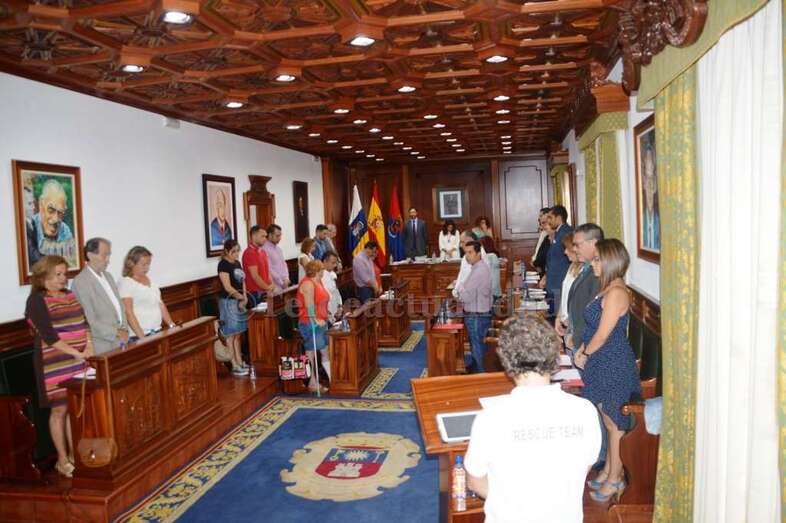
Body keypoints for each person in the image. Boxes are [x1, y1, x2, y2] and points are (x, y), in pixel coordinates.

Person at [464, 315, 602, 523]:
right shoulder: (585, 411)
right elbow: (584, 467)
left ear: (505, 360)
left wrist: (511, 501)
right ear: (554, 355)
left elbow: (475, 481)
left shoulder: (490, 418)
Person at [574, 239, 641, 503]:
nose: (593, 263)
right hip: (600, 362)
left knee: (614, 423)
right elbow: (593, 330)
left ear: (611, 261)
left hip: (613, 363)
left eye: (598, 259)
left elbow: (602, 335)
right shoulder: (607, 289)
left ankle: (616, 476)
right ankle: (610, 470)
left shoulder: (616, 293)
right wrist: (582, 349)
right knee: (606, 418)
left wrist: (585, 353)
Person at [24, 256, 95, 478]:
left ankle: (75, 456)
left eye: (65, 274)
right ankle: (62, 460)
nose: (64, 279)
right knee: (59, 410)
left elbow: (85, 323)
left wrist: (89, 347)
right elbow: (49, 336)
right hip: (54, 363)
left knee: (72, 409)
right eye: (58, 275)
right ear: (43, 277)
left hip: (78, 361)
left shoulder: (70, 295)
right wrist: (77, 353)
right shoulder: (37, 301)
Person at [71, 237, 129, 354]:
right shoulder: (81, 282)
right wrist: (117, 333)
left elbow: (120, 307)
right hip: (102, 345)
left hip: (121, 341)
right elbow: (90, 320)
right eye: (105, 255)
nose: (108, 260)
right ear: (90, 255)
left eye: (109, 255)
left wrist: (125, 330)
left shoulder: (108, 276)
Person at [562, 224, 604, 354]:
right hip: (575, 339)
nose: (574, 249)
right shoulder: (585, 267)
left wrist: (577, 340)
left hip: (584, 345)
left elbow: (591, 314)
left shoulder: (599, 273)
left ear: (593, 243)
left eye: (577, 244)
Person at [118, 246, 175, 340]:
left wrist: (171, 325)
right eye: (143, 265)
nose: (147, 268)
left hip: (157, 331)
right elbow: (128, 312)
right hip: (139, 336)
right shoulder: (126, 283)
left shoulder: (150, 281)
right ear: (131, 263)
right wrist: (142, 338)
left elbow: (160, 304)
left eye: (148, 264)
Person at [455, 241, 492, 372]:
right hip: (479, 314)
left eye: (470, 252)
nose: (467, 256)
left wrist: (460, 287)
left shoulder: (479, 270)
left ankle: (481, 379)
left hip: (476, 315)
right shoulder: (477, 267)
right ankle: (478, 372)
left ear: (478, 253)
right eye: (465, 253)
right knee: (477, 347)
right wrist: (463, 288)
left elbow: (466, 296)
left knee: (478, 349)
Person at [296, 259, 331, 393]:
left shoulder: (318, 281)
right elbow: (309, 305)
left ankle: (333, 379)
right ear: (317, 271)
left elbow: (322, 300)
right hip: (309, 323)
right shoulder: (307, 284)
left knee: (325, 351)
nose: (323, 271)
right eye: (322, 269)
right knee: (313, 351)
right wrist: (314, 319)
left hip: (322, 321)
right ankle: (312, 382)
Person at [217, 239, 249, 376]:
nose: (236, 254)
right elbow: (227, 286)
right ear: (227, 251)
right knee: (230, 333)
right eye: (233, 251)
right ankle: (234, 364)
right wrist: (239, 297)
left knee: (238, 333)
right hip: (228, 301)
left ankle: (240, 361)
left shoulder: (237, 263)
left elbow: (242, 281)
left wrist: (245, 296)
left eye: (238, 251)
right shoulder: (223, 265)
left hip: (239, 300)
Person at [30, 179, 77, 268]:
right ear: (41, 204)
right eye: (51, 210)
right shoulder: (30, 228)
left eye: (60, 212)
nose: (56, 219)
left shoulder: (65, 230)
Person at [543, 205, 573, 314]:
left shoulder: (565, 232)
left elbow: (569, 259)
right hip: (554, 283)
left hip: (559, 283)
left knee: (556, 318)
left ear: (559, 217)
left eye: (550, 217)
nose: (548, 221)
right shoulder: (559, 233)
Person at [554, 233, 582, 347]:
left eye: (567, 248)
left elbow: (580, 303)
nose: (565, 252)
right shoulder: (571, 266)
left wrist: (570, 323)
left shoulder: (585, 271)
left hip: (574, 326)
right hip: (565, 323)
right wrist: (558, 317)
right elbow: (564, 295)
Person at [242, 225, 275, 305]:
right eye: (262, 236)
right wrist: (267, 288)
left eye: (266, 236)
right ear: (253, 236)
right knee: (259, 317)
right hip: (255, 293)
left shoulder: (262, 252)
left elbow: (267, 271)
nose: (265, 239)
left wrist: (272, 284)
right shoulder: (249, 253)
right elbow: (255, 276)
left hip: (265, 291)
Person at [452, 230, 486, 298]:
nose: (460, 245)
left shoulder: (479, 255)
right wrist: (455, 291)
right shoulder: (466, 256)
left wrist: (457, 290)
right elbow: (461, 275)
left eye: (462, 242)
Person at [641, 148, 660, 251]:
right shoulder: (641, 217)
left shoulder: (659, 218)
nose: (649, 186)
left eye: (652, 181)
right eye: (647, 181)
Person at [263, 224, 291, 290]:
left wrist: (286, 278)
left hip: (284, 283)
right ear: (270, 235)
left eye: (280, 235)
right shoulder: (264, 249)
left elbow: (284, 264)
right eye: (277, 236)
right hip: (274, 285)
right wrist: (281, 282)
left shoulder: (279, 249)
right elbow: (269, 269)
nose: (280, 238)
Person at [321, 252, 343, 321]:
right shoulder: (320, 276)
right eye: (333, 263)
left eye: (336, 263)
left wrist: (340, 305)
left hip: (335, 309)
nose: (335, 265)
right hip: (327, 311)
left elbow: (336, 291)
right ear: (325, 261)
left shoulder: (332, 274)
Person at [479, 236, 502, 302]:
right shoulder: (492, 256)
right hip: (493, 290)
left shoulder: (491, 256)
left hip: (491, 291)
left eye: (481, 245)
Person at [532, 207, 551, 274]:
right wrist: (534, 261)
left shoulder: (549, 234)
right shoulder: (544, 233)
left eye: (541, 215)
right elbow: (538, 250)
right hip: (539, 265)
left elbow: (545, 252)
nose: (539, 218)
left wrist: (536, 263)